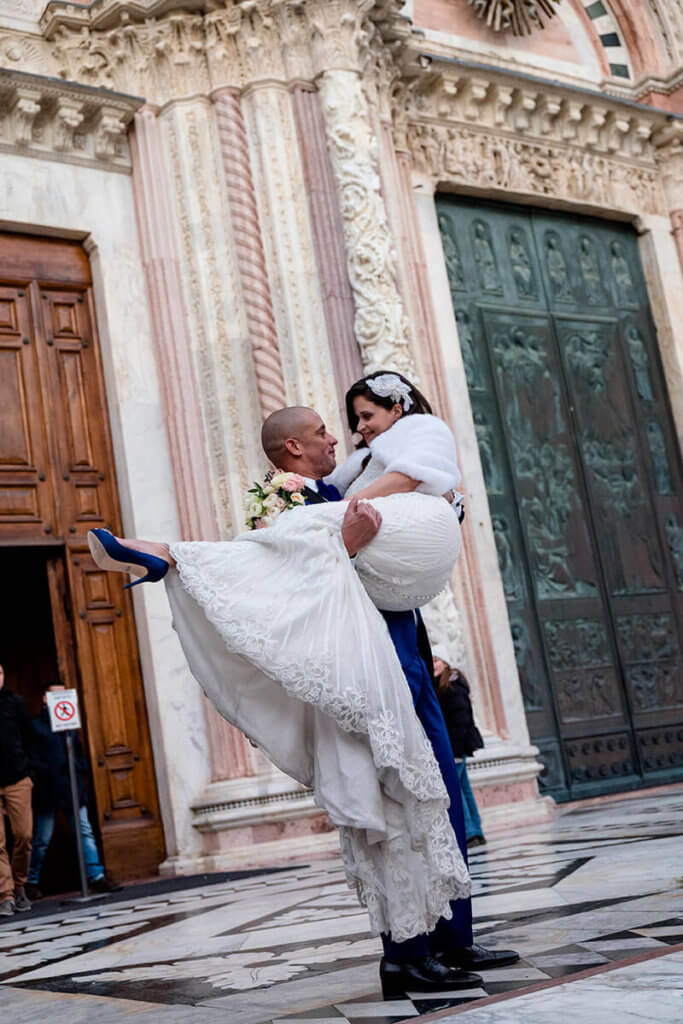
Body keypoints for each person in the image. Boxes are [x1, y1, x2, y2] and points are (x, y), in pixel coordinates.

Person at [87, 371, 517, 994]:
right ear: (295, 447)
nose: (341, 439)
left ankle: (455, 940)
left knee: (438, 798)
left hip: (404, 652)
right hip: (359, 665)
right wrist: (344, 542)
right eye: (325, 431)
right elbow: (279, 577)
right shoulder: (288, 500)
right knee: (389, 804)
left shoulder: (346, 483)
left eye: (358, 421)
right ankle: (406, 951)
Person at [26, 684, 122, 901]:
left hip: (72, 788)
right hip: (48, 789)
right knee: (42, 838)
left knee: (85, 831)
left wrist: (79, 772)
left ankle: (96, 876)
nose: (60, 697)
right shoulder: (35, 726)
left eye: (63, 692)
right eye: (54, 693)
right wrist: (43, 773)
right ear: (44, 698)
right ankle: (30, 882)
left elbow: (77, 754)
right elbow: (32, 756)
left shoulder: (69, 726)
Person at [432, 646, 486, 848]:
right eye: (431, 661)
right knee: (464, 788)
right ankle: (476, 830)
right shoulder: (449, 685)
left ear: (446, 663)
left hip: (455, 747)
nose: (433, 665)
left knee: (457, 790)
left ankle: (470, 832)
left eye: (437, 661)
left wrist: (453, 751)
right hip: (458, 746)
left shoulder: (452, 688)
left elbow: (459, 722)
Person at [0, 663, 34, 917]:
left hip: (17, 779)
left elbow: (31, 737)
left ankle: (20, 885)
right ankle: (6, 894)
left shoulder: (16, 703)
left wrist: (30, 771)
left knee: (24, 834)